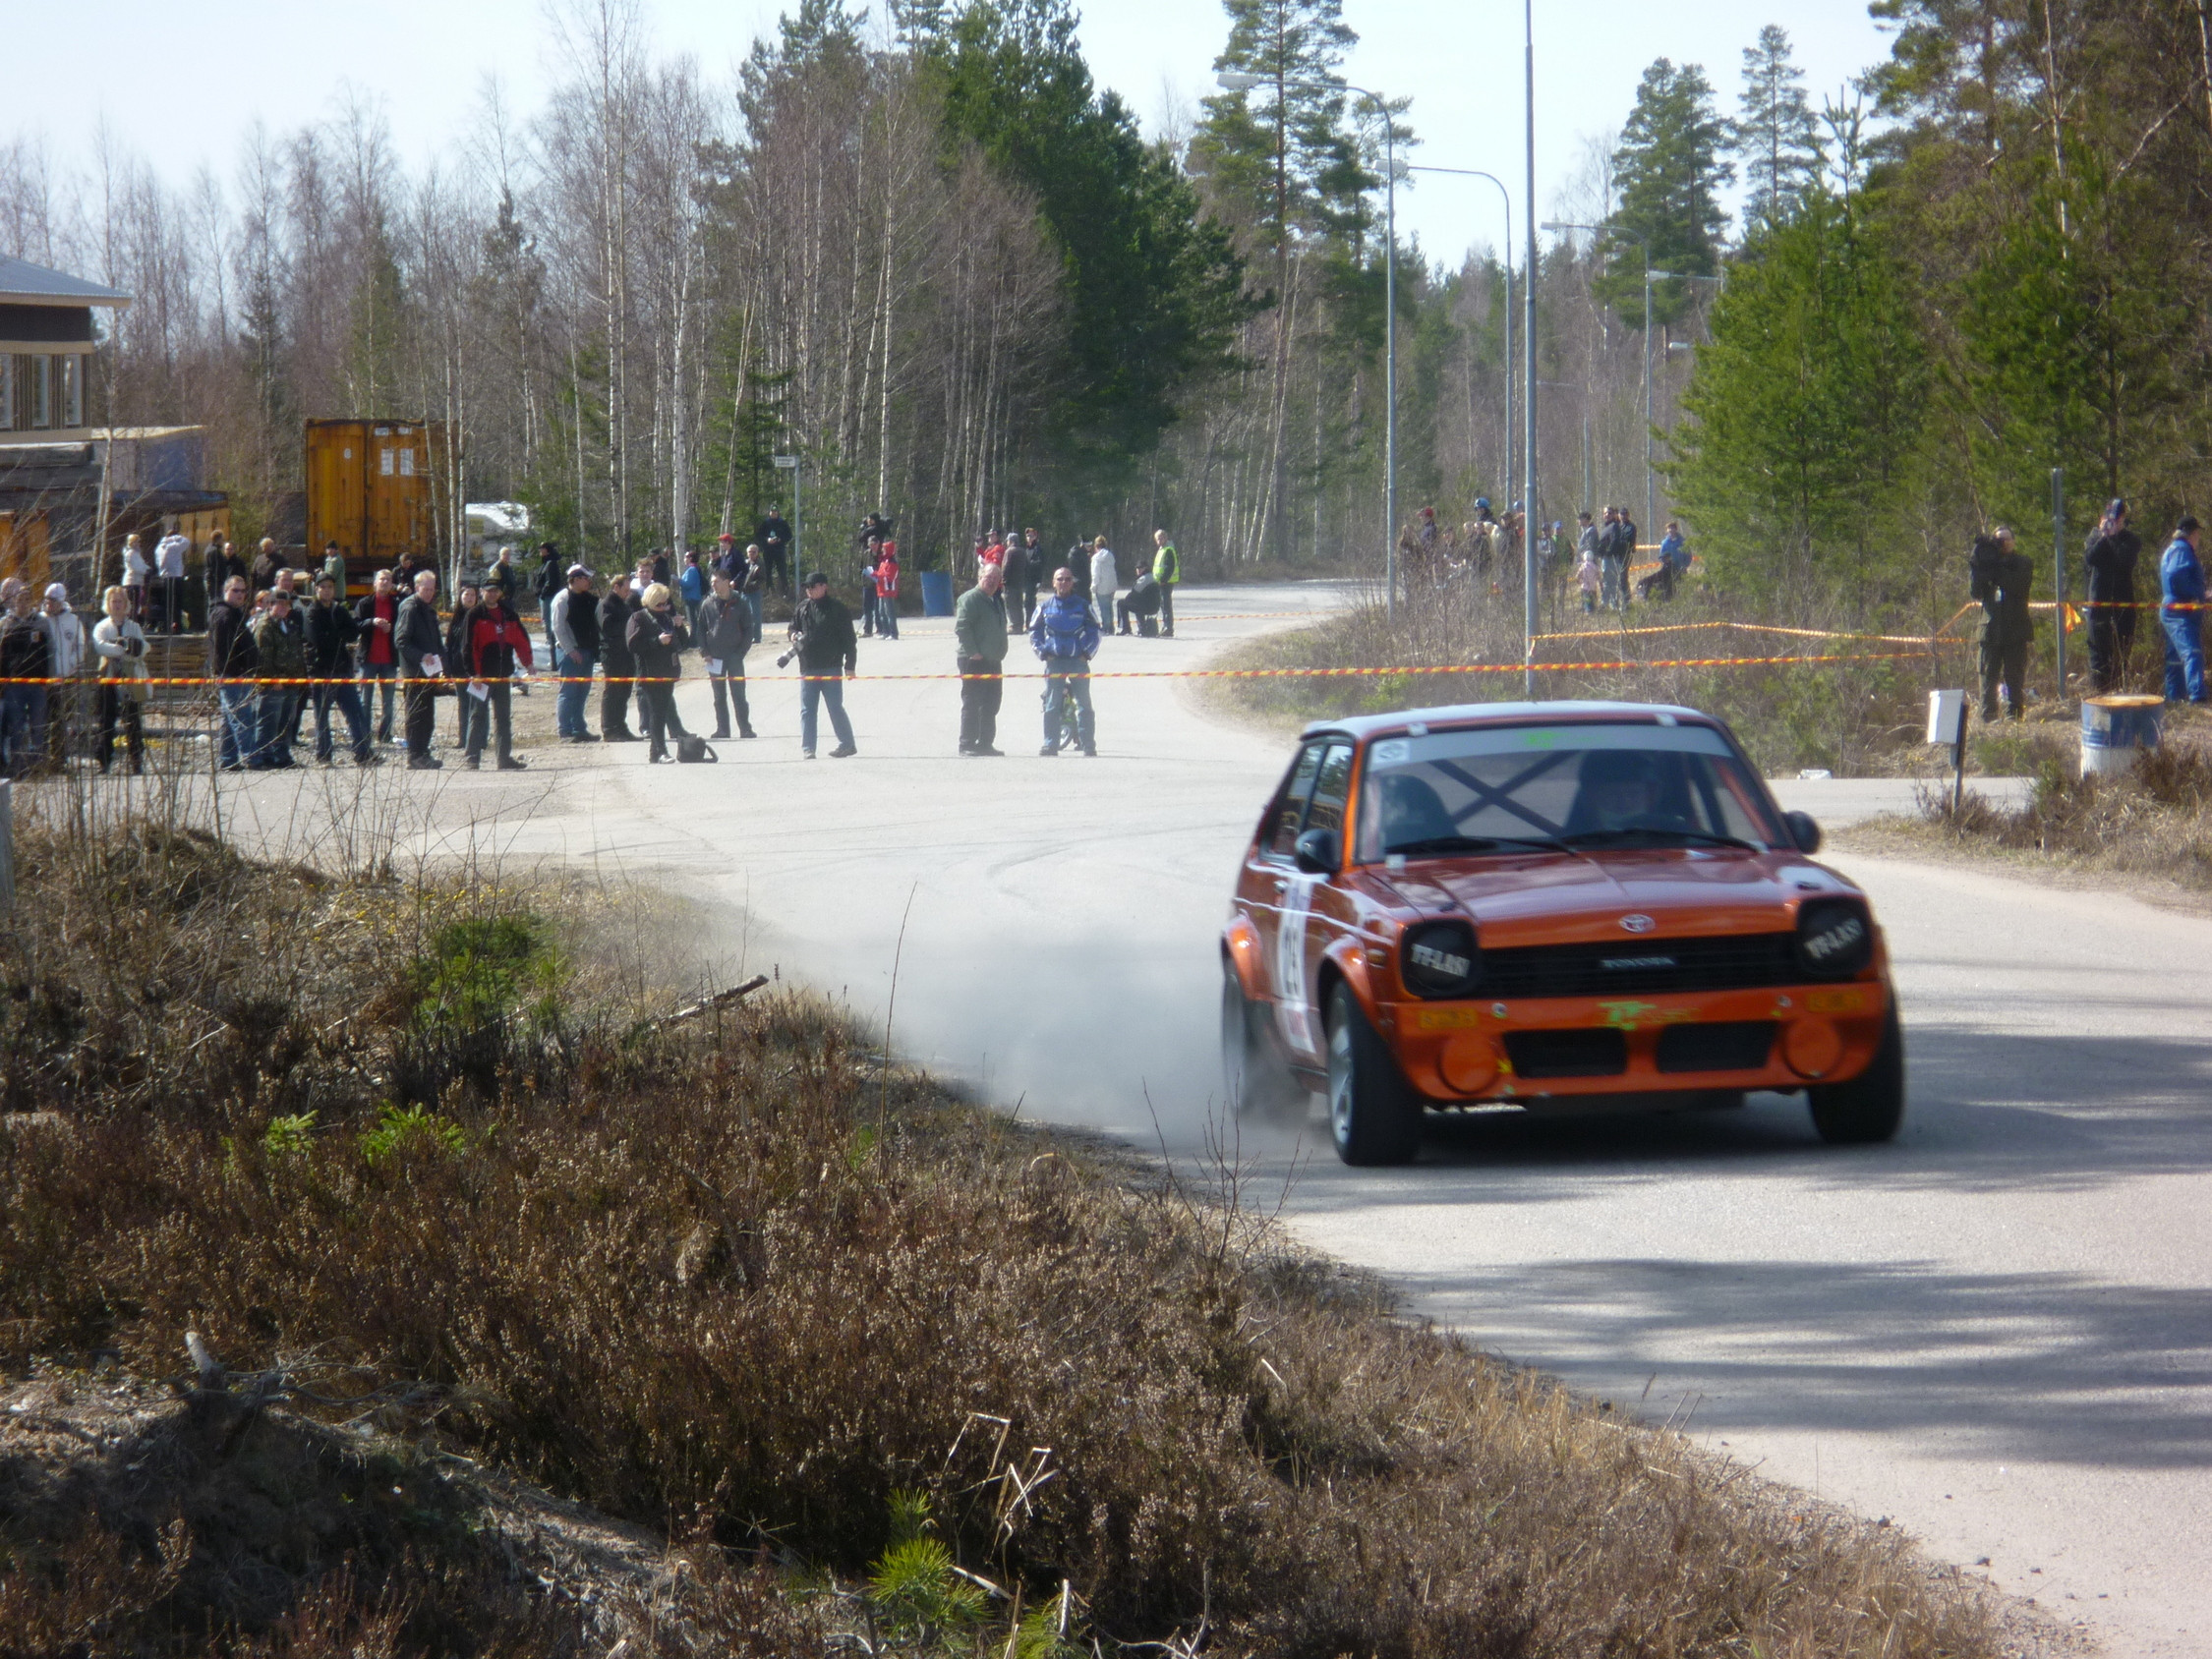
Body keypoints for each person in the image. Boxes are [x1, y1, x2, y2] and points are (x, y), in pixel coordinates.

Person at [304, 574, 377, 767]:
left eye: (330, 587)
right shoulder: (312, 612)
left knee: (355, 712)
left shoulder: (339, 609)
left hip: (342, 669)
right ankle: (324, 755)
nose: (327, 590)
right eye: (323, 587)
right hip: (322, 670)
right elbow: (318, 640)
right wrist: (338, 635)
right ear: (316, 589)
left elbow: (353, 632)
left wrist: (336, 634)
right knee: (322, 716)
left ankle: (363, 753)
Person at [464, 576, 533, 771]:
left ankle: (504, 759)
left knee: (503, 718)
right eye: (488, 590)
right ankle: (472, 758)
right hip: (482, 676)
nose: (492, 593)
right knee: (477, 717)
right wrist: (473, 673)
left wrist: (528, 662)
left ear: (500, 593)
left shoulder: (509, 613)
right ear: (482, 593)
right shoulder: (474, 615)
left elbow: (521, 640)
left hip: (503, 675)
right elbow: (468, 647)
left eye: (495, 590)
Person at [1030, 566, 1100, 757]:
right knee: (1052, 704)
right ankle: (1050, 744)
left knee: (1084, 704)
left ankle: (1088, 745)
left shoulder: (1083, 605)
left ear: (1072, 582)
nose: (1063, 583)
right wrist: (1043, 653)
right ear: (1053, 583)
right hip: (1055, 663)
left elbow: (1095, 631)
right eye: (1059, 579)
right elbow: (1034, 632)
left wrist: (1086, 654)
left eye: (1068, 579)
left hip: (1078, 662)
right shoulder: (1044, 607)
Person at [787, 570, 857, 759]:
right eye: (806, 588)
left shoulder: (838, 609)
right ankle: (808, 748)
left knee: (835, 707)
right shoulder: (802, 608)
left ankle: (847, 744)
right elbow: (792, 627)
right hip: (808, 666)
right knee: (807, 710)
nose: (809, 590)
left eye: (812, 586)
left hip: (831, 666)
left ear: (823, 586)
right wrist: (793, 634)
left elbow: (850, 640)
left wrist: (850, 665)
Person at [1972, 525, 2034, 721]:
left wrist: (1995, 565)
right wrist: (1977, 564)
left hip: (2015, 630)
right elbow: (1975, 591)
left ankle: (2013, 716)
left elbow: (2016, 584)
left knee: (2014, 677)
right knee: (1987, 676)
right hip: (1990, 630)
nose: (2003, 544)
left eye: (2007, 539)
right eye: (1998, 540)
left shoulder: (2023, 562)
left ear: (2014, 542)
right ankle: (1988, 717)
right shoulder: (1987, 564)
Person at [627, 582, 690, 762]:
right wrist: (656, 641)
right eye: (659, 604)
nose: (663, 608)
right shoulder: (638, 618)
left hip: (668, 671)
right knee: (656, 712)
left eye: (666, 604)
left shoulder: (666, 618)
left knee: (662, 711)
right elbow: (632, 646)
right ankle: (661, 751)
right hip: (649, 673)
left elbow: (684, 644)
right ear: (650, 601)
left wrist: (679, 627)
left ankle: (654, 753)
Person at [2084, 499, 2141, 694]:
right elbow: (2090, 558)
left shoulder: (2130, 540)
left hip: (2123, 604)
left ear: (2122, 520)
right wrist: (2103, 537)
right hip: (2098, 603)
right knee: (2098, 654)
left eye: (2116, 519)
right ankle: (2099, 694)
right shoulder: (2094, 537)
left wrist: (2114, 537)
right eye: (2108, 519)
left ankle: (2119, 692)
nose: (2111, 523)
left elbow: (2124, 562)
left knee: (2121, 652)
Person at [90, 585, 148, 775]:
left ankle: (137, 760)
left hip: (131, 676)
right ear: (108, 604)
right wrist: (123, 648)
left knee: (134, 720)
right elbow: (100, 647)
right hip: (108, 677)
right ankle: (104, 761)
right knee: (105, 721)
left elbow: (143, 649)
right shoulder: (102, 626)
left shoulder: (134, 626)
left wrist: (131, 648)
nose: (117, 605)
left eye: (120, 601)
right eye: (113, 601)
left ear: (126, 604)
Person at [955, 560, 1009, 757]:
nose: (992, 581)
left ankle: (985, 743)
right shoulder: (970, 599)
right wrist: (973, 652)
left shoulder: (996, 599)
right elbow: (962, 627)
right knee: (972, 702)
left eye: (996, 578)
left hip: (993, 660)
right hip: (974, 660)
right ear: (979, 578)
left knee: (992, 703)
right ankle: (967, 743)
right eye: (988, 577)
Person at [0, 580, 53, 776]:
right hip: (14, 685)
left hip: (38, 684)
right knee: (16, 727)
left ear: (32, 601)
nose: (23, 603)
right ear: (14, 602)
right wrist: (3, 681)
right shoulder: (7, 624)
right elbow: (3, 655)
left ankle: (37, 765)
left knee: (38, 725)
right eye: (20, 599)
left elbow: (50, 652)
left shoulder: (41, 622)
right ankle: (17, 766)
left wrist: (47, 680)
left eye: (27, 599)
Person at [395, 568, 447, 770]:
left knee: (427, 716)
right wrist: (421, 656)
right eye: (425, 589)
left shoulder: (428, 609)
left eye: (432, 589)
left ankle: (423, 752)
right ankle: (414, 755)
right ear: (417, 587)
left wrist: (443, 662)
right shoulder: (409, 608)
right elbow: (401, 641)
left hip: (430, 672)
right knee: (416, 716)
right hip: (414, 672)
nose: (429, 593)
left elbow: (436, 641)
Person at [249, 587, 306, 769]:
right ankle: (264, 756)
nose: (282, 607)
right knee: (268, 722)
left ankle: (282, 756)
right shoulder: (264, 625)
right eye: (278, 604)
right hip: (273, 684)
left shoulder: (289, 625)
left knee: (285, 723)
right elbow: (262, 656)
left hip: (291, 682)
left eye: (285, 604)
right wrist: (273, 679)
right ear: (270, 605)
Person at [205, 574, 258, 772]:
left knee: (230, 718)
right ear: (225, 591)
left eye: (243, 591)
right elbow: (221, 650)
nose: (240, 595)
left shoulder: (236, 614)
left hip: (239, 673)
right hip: (231, 675)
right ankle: (252, 756)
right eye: (235, 590)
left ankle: (228, 759)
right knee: (242, 716)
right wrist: (233, 672)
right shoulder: (223, 615)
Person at [697, 569, 758, 740]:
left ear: (726, 581)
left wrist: (740, 653)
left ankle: (745, 729)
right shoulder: (707, 603)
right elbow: (700, 630)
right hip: (713, 657)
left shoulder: (741, 602)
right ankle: (722, 729)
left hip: (734, 656)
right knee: (718, 696)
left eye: (716, 581)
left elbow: (748, 630)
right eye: (712, 582)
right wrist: (704, 652)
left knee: (739, 694)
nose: (713, 585)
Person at [549, 564, 602, 742]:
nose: (588, 581)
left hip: (588, 651)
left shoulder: (589, 599)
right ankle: (565, 731)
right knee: (568, 692)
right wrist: (570, 650)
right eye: (585, 578)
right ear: (576, 579)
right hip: (569, 653)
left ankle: (579, 729)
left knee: (582, 692)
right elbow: (558, 627)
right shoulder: (562, 599)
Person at [2160, 515, 2206, 705]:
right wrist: (2194, 594)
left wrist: (2202, 594)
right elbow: (2175, 575)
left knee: (2175, 658)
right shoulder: (2182, 549)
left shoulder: (2173, 549)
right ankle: (2197, 698)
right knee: (2191, 652)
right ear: (2192, 533)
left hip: (2172, 607)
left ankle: (2174, 698)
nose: (2198, 539)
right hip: (2180, 610)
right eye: (2197, 534)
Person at [354, 568, 402, 744]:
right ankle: (364, 735)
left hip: (389, 661)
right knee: (365, 701)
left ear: (392, 584)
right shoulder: (365, 603)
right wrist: (372, 622)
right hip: (368, 660)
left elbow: (402, 628)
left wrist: (392, 629)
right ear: (375, 583)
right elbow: (356, 625)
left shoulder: (397, 604)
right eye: (382, 579)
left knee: (388, 703)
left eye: (388, 580)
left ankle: (385, 735)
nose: (385, 582)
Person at [40, 584, 87, 767]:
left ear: (61, 601)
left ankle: (58, 759)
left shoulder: (73, 621)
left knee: (60, 719)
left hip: (66, 678)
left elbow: (81, 646)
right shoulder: (40, 620)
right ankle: (41, 758)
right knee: (43, 718)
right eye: (47, 600)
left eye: (53, 601)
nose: (50, 604)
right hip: (44, 679)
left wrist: (72, 664)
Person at [597, 573, 641, 741]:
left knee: (625, 692)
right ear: (616, 587)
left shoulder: (624, 604)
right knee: (613, 692)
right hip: (612, 654)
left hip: (626, 654)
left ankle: (621, 727)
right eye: (625, 589)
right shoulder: (606, 604)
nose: (628, 593)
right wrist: (628, 626)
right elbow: (607, 626)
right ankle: (609, 728)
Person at [446, 581, 484, 753]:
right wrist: (447, 668)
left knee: (478, 704)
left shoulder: (481, 616)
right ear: (460, 597)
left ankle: (480, 740)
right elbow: (450, 644)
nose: (469, 598)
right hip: (459, 667)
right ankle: (463, 738)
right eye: (466, 594)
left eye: (472, 595)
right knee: (463, 704)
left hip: (477, 669)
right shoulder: (456, 618)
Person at [1639, 521, 1689, 601]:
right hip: (1668, 571)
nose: (1671, 530)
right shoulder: (1665, 543)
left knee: (1682, 588)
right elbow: (1662, 556)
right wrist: (1665, 564)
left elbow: (1688, 555)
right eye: (1669, 528)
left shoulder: (1682, 542)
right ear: (1667, 530)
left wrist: (1684, 566)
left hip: (1680, 569)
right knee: (1669, 589)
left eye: (1673, 528)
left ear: (1676, 529)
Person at [154, 524, 191, 632]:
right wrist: (176, 537)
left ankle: (166, 625)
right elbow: (187, 542)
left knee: (167, 602)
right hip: (176, 576)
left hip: (165, 576)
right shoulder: (174, 546)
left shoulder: (159, 547)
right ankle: (177, 626)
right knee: (176, 603)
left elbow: (157, 562)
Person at [204, 536, 244, 625]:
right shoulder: (218, 556)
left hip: (234, 588)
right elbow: (215, 570)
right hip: (221, 586)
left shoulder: (238, 562)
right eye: (227, 549)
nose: (228, 551)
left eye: (231, 549)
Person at [756, 504, 793, 596]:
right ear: (769, 513)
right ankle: (769, 590)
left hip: (779, 550)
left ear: (778, 513)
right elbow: (759, 536)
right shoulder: (765, 523)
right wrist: (767, 540)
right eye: (772, 512)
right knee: (767, 571)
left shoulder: (782, 523)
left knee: (782, 572)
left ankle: (785, 591)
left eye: (775, 512)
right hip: (768, 551)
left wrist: (780, 539)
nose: (774, 513)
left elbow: (789, 535)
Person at [1151, 529, 1180, 638]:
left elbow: (1169, 567)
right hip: (1160, 582)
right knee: (1163, 605)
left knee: (1166, 605)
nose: (1159, 540)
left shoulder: (1168, 550)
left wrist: (1163, 580)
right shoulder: (1161, 549)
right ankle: (1165, 626)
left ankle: (1168, 628)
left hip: (1166, 582)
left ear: (1165, 538)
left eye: (1161, 538)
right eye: (1157, 538)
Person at [1001, 529, 1031, 629]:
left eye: (1008, 541)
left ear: (1011, 541)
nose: (1007, 542)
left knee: (1010, 604)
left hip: (1010, 583)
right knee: (1018, 604)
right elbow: (1027, 566)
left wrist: (1003, 579)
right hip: (1020, 582)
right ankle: (1020, 623)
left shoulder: (1009, 551)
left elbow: (1006, 567)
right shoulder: (1023, 552)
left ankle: (1014, 625)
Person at [1116, 569, 1162, 635]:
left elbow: (1133, 594)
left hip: (1144, 608)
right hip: (1155, 607)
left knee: (1121, 603)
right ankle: (1142, 628)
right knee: (1138, 604)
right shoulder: (1154, 577)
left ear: (1141, 569)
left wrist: (1127, 599)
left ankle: (1126, 628)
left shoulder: (1143, 579)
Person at [872, 539, 901, 641]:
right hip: (881, 589)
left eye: (884, 548)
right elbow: (881, 573)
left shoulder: (892, 562)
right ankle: (886, 632)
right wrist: (875, 574)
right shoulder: (884, 561)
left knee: (890, 612)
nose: (882, 550)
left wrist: (877, 575)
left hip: (888, 590)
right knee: (881, 612)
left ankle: (894, 633)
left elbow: (890, 576)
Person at [1089, 537, 1117, 633]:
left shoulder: (1096, 558)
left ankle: (1106, 627)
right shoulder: (1110, 556)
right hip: (1111, 585)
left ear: (1096, 546)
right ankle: (1111, 627)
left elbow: (1095, 574)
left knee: (1103, 608)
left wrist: (1093, 586)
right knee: (1109, 607)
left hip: (1101, 586)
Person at [121, 533, 149, 622]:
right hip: (131, 582)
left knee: (136, 605)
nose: (138, 543)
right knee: (132, 605)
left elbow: (142, 565)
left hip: (137, 582)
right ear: (131, 543)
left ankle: (133, 622)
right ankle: (130, 623)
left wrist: (148, 569)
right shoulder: (130, 554)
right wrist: (145, 571)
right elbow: (135, 567)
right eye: (136, 541)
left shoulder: (136, 554)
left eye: (138, 541)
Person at [679, 548, 707, 635]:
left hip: (691, 597)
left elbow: (688, 584)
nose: (684, 559)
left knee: (692, 619)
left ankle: (694, 638)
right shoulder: (695, 568)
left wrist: (678, 581)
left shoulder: (692, 570)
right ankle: (695, 636)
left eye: (686, 557)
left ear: (690, 558)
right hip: (694, 596)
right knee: (694, 618)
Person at [534, 542, 564, 619]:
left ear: (547, 550)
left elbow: (550, 582)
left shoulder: (551, 564)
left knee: (548, 622)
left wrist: (543, 594)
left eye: (542, 548)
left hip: (548, 597)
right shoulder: (545, 563)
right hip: (545, 597)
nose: (540, 550)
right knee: (546, 621)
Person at [1576, 547, 1601, 613]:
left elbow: (1578, 574)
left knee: (1586, 599)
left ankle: (1588, 610)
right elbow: (1599, 575)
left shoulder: (1583, 566)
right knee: (1593, 599)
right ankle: (1593, 609)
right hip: (1593, 587)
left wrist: (1578, 580)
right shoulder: (1595, 567)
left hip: (1585, 587)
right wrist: (1598, 579)